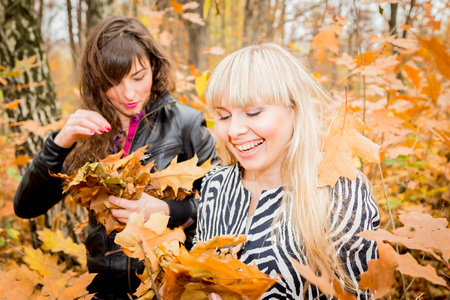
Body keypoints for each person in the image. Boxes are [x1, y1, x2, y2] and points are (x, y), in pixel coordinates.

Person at [14, 16, 217, 300]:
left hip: (167, 290)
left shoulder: (186, 124)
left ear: (154, 66)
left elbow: (223, 210)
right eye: (113, 82)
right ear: (96, 81)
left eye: (138, 77)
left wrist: (166, 210)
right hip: (102, 292)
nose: (129, 94)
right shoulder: (86, 132)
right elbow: (26, 207)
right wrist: (60, 143)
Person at [195, 43, 380, 299]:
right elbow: (199, 272)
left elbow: (359, 292)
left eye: (252, 112)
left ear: (294, 109)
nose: (234, 130)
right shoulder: (215, 185)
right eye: (224, 116)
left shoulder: (341, 192)